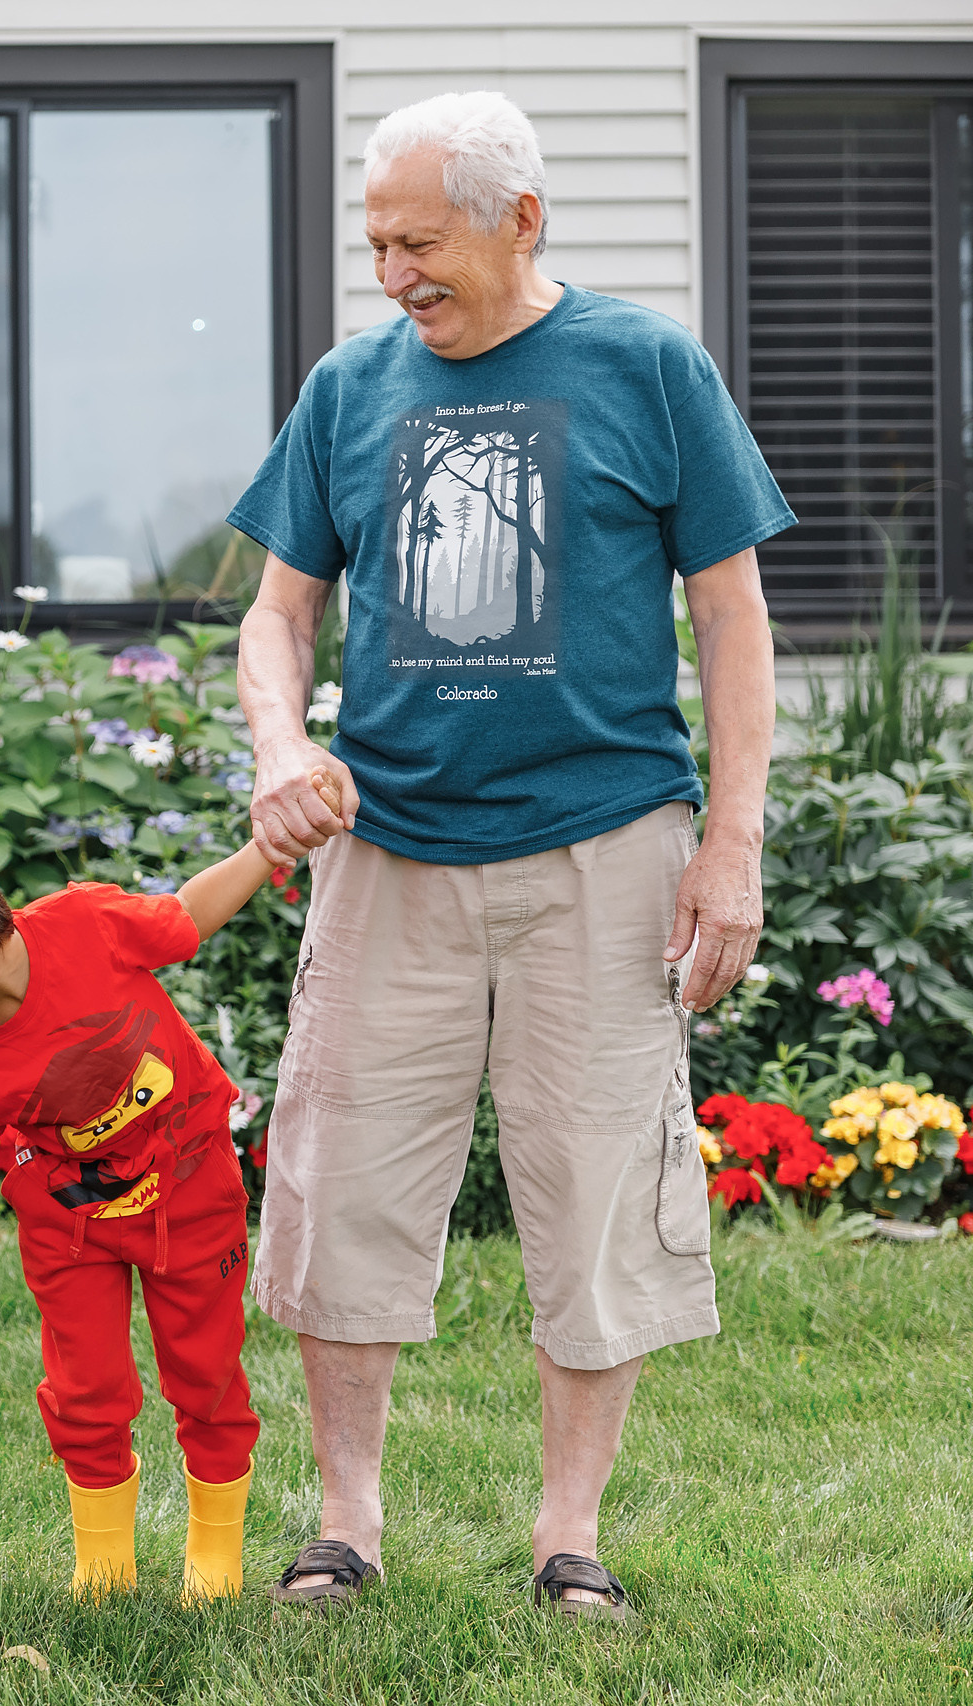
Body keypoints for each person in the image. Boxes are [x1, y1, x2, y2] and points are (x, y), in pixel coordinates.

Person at [227, 91, 788, 1616]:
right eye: (378, 245)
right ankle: (345, 1520)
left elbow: (731, 615)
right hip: (389, 846)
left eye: (421, 242)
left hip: (605, 842)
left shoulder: (647, 365)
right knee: (344, 1177)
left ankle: (567, 1534)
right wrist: (280, 749)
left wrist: (731, 840)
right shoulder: (349, 387)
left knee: (596, 1180)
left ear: (520, 220)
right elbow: (278, 614)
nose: (394, 273)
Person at [0, 819, 332, 1604]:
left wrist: (269, 849)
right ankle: (102, 1566)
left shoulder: (86, 924)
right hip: (66, 1218)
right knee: (84, 1387)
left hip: (189, 1189)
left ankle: (214, 1549)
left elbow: (185, 918)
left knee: (205, 1373)